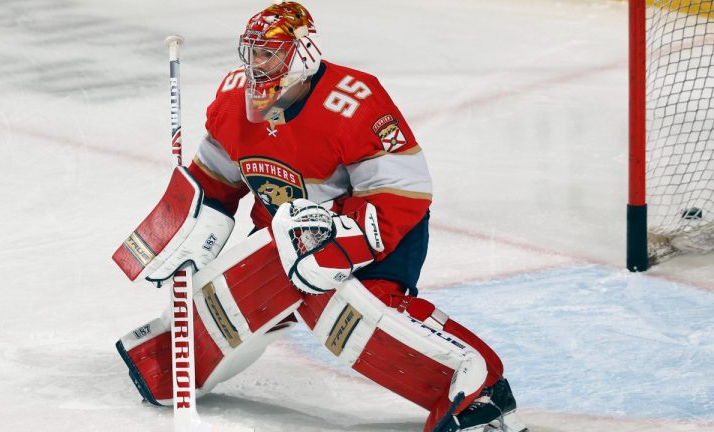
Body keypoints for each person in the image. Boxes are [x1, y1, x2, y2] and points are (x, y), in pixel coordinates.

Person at [115, 3, 527, 432]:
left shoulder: (355, 101)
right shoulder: (232, 104)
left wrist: (341, 241)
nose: (257, 64)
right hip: (284, 238)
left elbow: (402, 193)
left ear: (304, 53)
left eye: (270, 53)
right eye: (252, 52)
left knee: (341, 312)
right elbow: (213, 181)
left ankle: (481, 390)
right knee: (247, 288)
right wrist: (190, 221)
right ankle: (173, 353)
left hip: (379, 237)